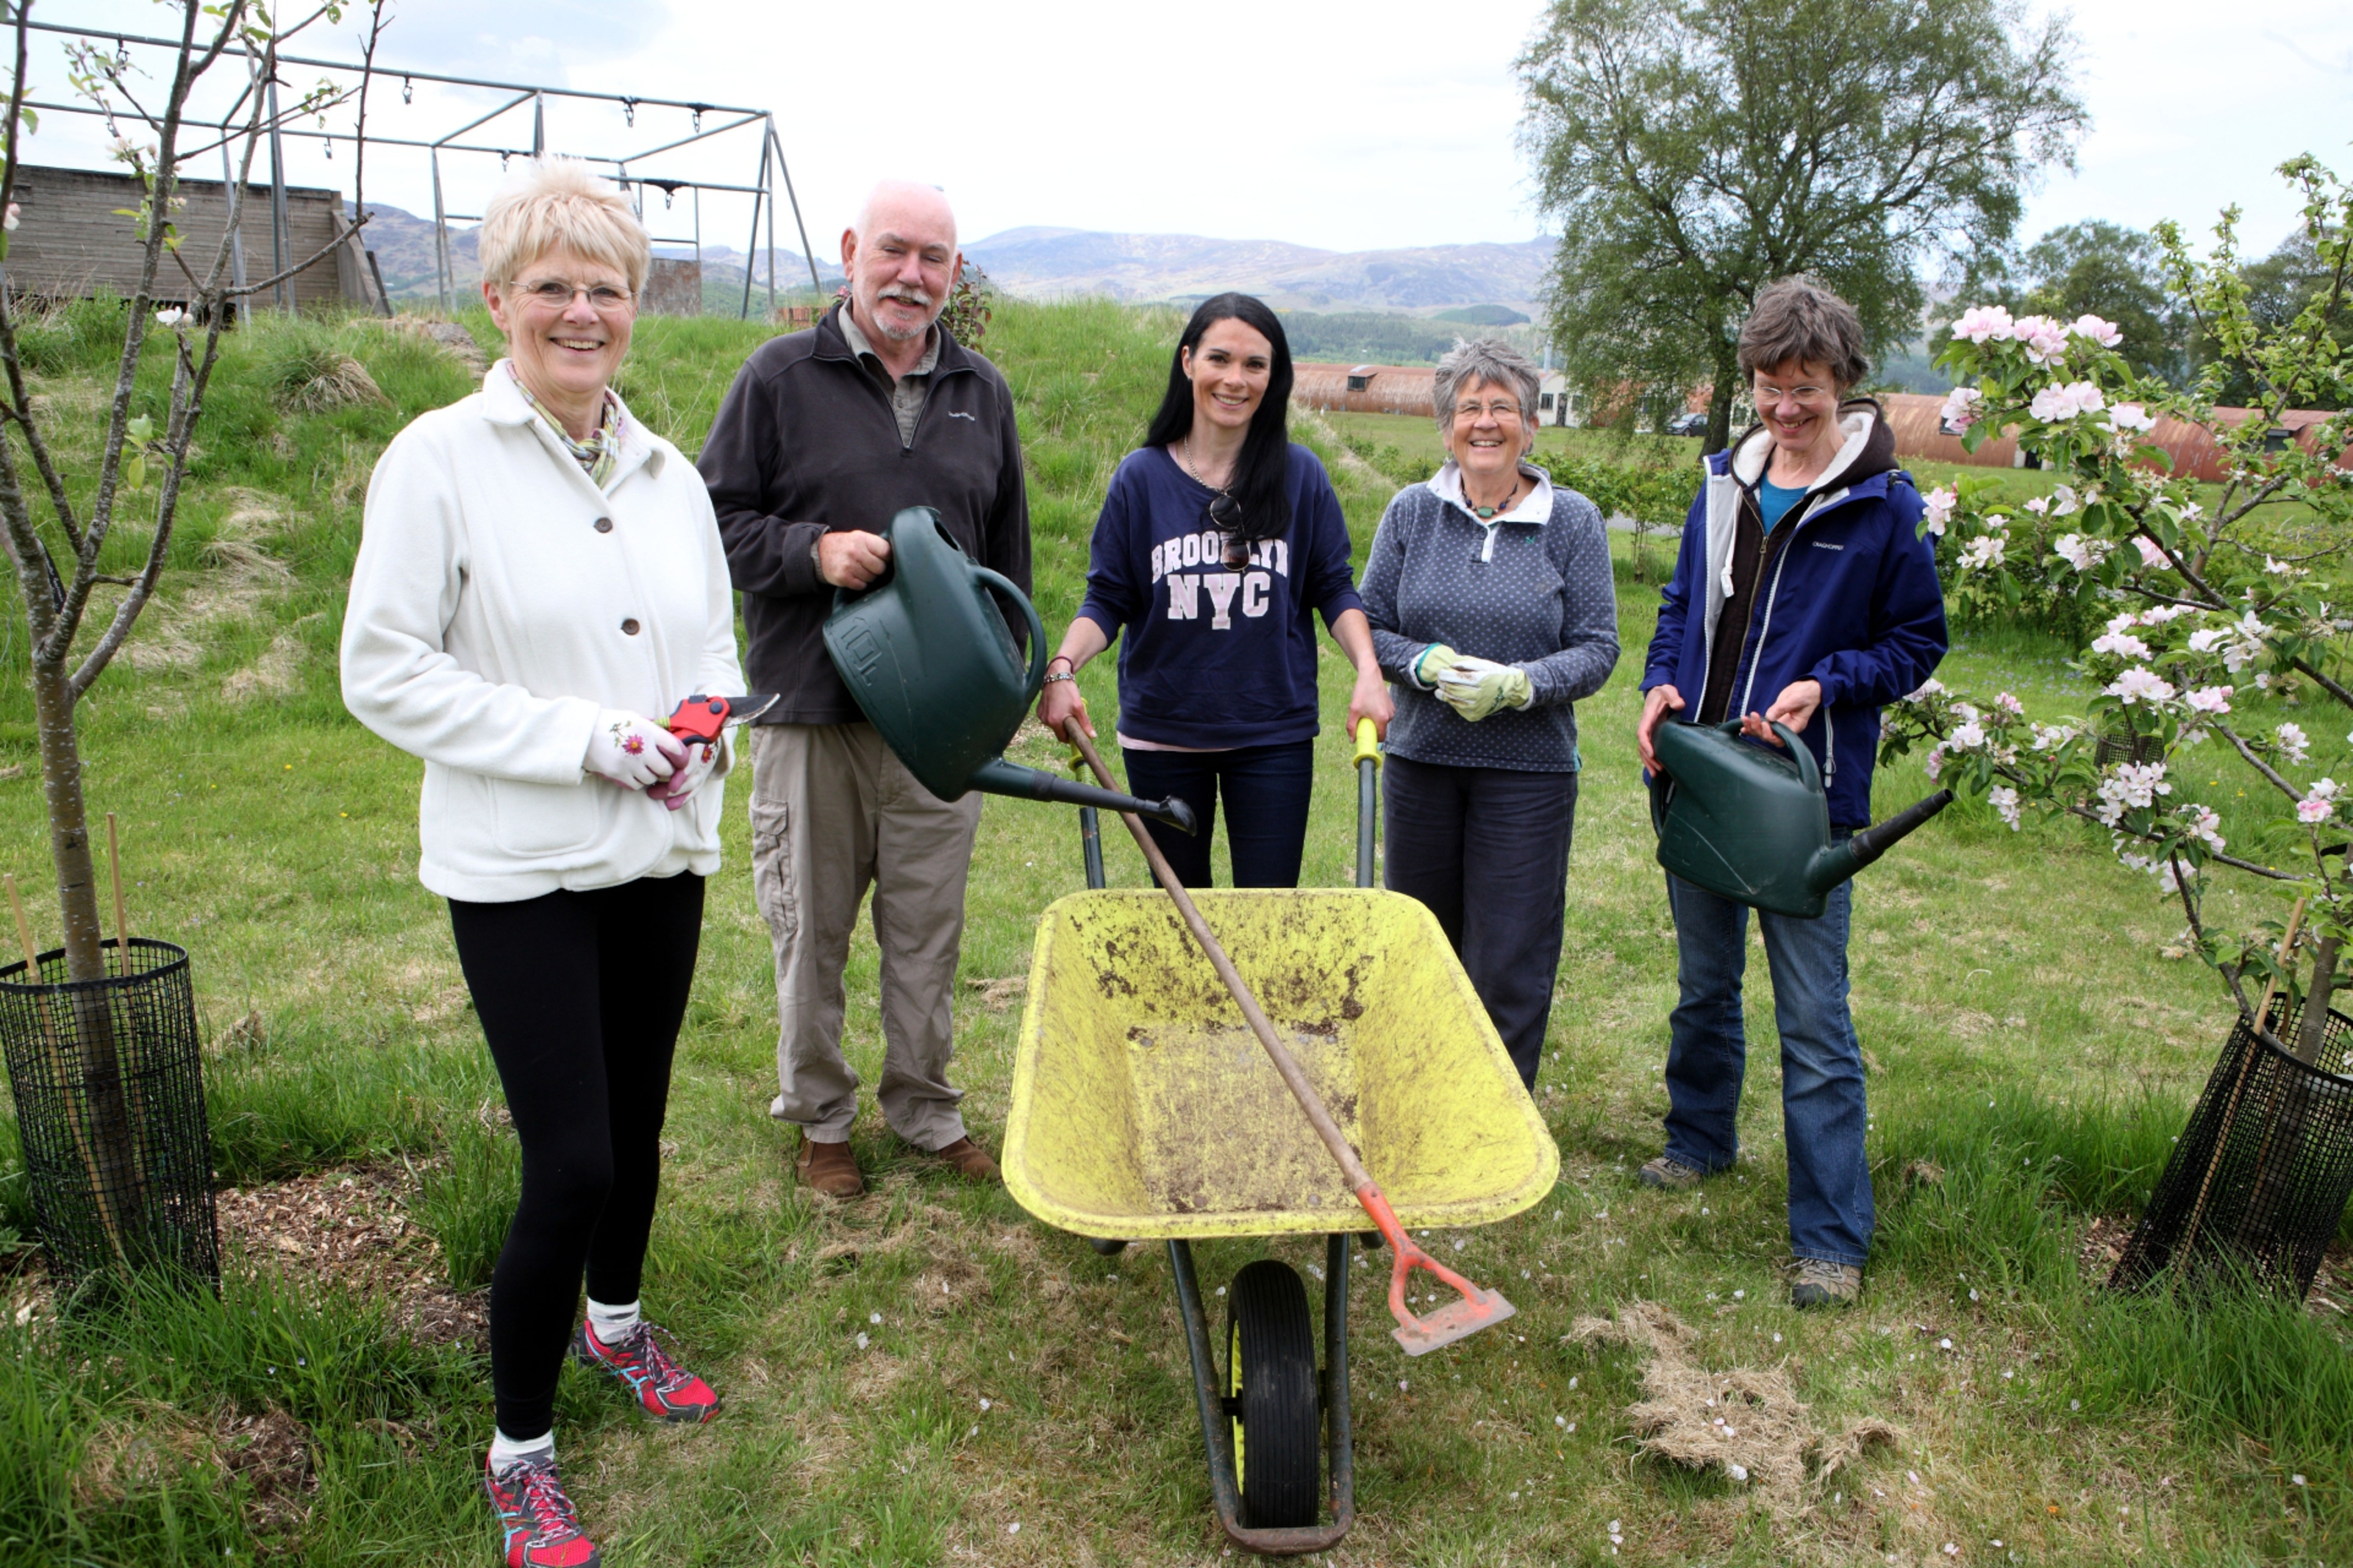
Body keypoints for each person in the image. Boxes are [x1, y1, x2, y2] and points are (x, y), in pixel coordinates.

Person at [342, 158, 738, 1568]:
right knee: (569, 1161)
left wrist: (704, 733)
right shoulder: (437, 459)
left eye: (608, 288)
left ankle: (617, 1324)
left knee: (639, 1131)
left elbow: (711, 648)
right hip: (522, 870)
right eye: (554, 286)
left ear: (636, 309)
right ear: (500, 300)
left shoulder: (668, 472)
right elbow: (382, 670)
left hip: (659, 851)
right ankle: (521, 1450)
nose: (583, 312)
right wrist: (584, 737)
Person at [699, 180, 1024, 1200]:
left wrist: (1018, 682)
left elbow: (1003, 558)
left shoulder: (984, 391)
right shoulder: (779, 376)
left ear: (953, 275)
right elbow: (712, 521)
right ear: (850, 251)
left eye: (934, 258)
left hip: (940, 728)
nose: (911, 275)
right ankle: (821, 1119)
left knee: (928, 931)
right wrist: (811, 551)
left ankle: (926, 1108)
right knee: (812, 928)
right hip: (813, 708)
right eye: (894, 250)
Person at [1633, 276, 1949, 1309]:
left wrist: (1831, 685)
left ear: (1845, 383)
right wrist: (1660, 688)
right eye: (1770, 386)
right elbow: (1683, 603)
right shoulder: (1724, 482)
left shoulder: (1883, 503)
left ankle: (1829, 1238)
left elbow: (1918, 641)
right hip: (1703, 773)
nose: (1785, 408)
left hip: (1806, 800)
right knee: (1703, 984)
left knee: (1815, 1022)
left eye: (1805, 387)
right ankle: (1697, 1141)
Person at [1035, 293, 1391, 886]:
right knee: (1183, 918)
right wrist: (1064, 665)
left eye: (1255, 365)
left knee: (1267, 912)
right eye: (1219, 359)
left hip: (1272, 733)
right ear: (1188, 363)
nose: (1235, 379)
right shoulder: (1141, 478)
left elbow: (1333, 587)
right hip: (1163, 733)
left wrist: (1368, 669)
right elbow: (1107, 598)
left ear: (1274, 378)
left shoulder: (1300, 476)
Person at [1358, 338, 1619, 1089]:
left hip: (1527, 772)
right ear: (1446, 429)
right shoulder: (1412, 512)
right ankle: (1417, 1097)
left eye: (1500, 406)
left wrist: (1519, 685)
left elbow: (1598, 648)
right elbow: (1367, 622)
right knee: (1420, 939)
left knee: (1509, 952)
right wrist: (1421, 664)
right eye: (1467, 407)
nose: (1483, 422)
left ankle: (1495, 1115)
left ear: (1529, 427)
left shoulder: (1570, 521)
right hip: (1421, 759)